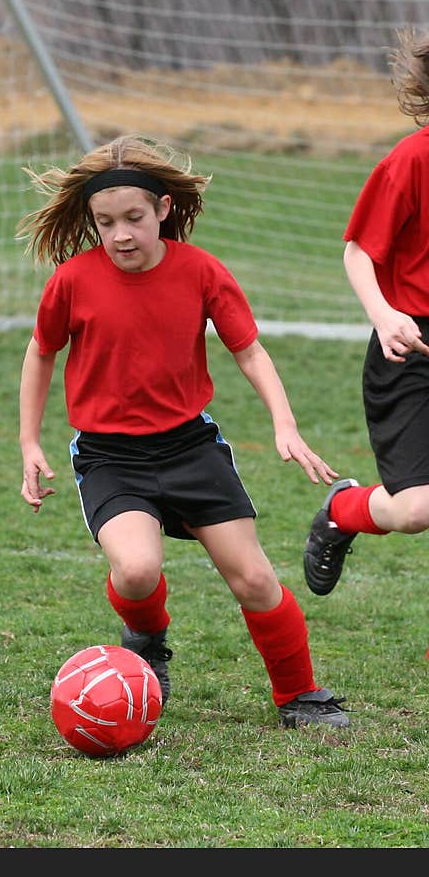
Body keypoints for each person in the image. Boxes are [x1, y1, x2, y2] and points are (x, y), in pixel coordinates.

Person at [17, 133, 350, 729]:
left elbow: (249, 351)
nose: (121, 234)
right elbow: (40, 353)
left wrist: (285, 424)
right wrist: (29, 442)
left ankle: (300, 694)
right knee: (138, 570)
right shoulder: (73, 280)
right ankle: (147, 640)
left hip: (190, 448)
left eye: (134, 218)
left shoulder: (200, 271)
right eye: (106, 221)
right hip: (110, 457)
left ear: (163, 209)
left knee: (253, 578)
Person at [304, 26, 429, 597]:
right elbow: (358, 251)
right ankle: (343, 510)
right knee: (414, 511)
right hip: (410, 347)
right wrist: (383, 315)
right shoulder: (412, 159)